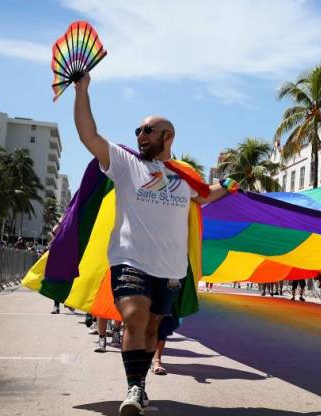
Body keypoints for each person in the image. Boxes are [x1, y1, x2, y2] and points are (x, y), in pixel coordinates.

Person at [73, 72, 230, 415]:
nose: (140, 136)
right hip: (130, 260)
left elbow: (205, 197)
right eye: (138, 131)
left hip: (172, 267)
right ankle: (132, 388)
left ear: (167, 136)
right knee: (134, 317)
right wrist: (82, 90)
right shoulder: (126, 163)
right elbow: (89, 135)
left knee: (153, 326)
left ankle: (140, 384)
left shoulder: (184, 175)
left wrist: (231, 185)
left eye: (147, 131)